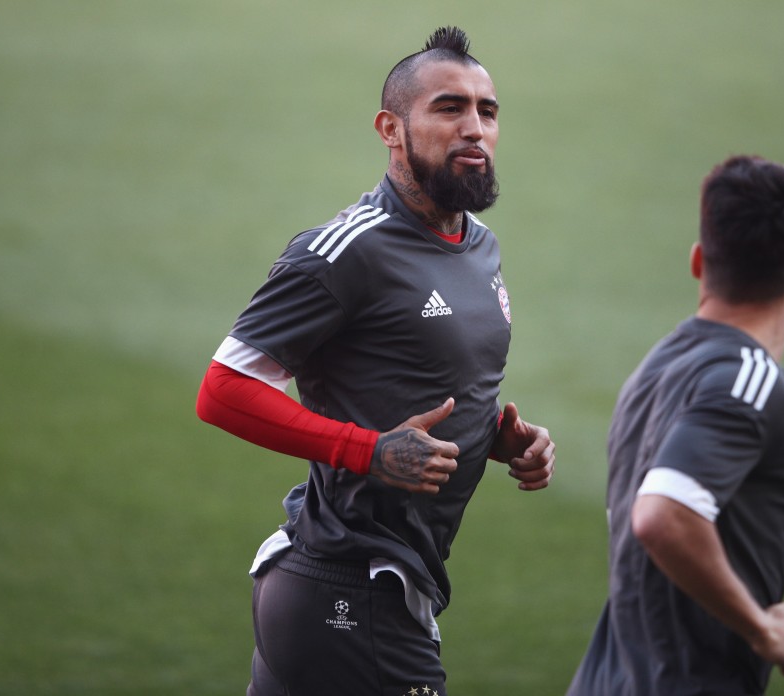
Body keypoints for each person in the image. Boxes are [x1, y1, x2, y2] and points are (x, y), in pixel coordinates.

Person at [196, 26, 556, 696]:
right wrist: (368, 451)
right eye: (449, 108)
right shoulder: (344, 251)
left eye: (488, 110)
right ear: (391, 128)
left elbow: (424, 375)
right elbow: (221, 390)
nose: (475, 127)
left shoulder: (480, 246)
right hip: (351, 590)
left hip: (366, 589)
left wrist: (497, 439)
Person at [566, 155, 784, 695]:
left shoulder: (657, 368)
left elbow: (665, 521)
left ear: (698, 261)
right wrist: (762, 628)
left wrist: (774, 533)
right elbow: (662, 517)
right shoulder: (748, 380)